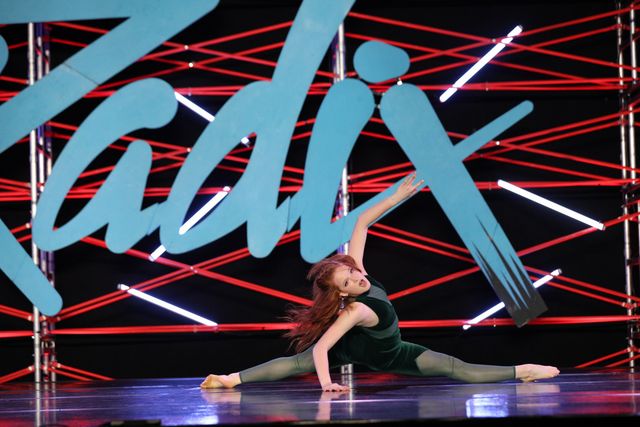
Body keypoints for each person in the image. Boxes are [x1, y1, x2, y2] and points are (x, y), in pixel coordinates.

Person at [201, 173, 560, 392]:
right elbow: (323, 350)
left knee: (455, 366)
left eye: (353, 272)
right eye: (349, 280)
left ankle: (522, 371)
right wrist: (327, 385)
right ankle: (230, 378)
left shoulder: (358, 273)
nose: (358, 277)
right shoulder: (354, 310)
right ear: (342, 293)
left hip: (390, 351)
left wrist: (396, 197)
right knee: (300, 362)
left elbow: (361, 224)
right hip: (368, 351)